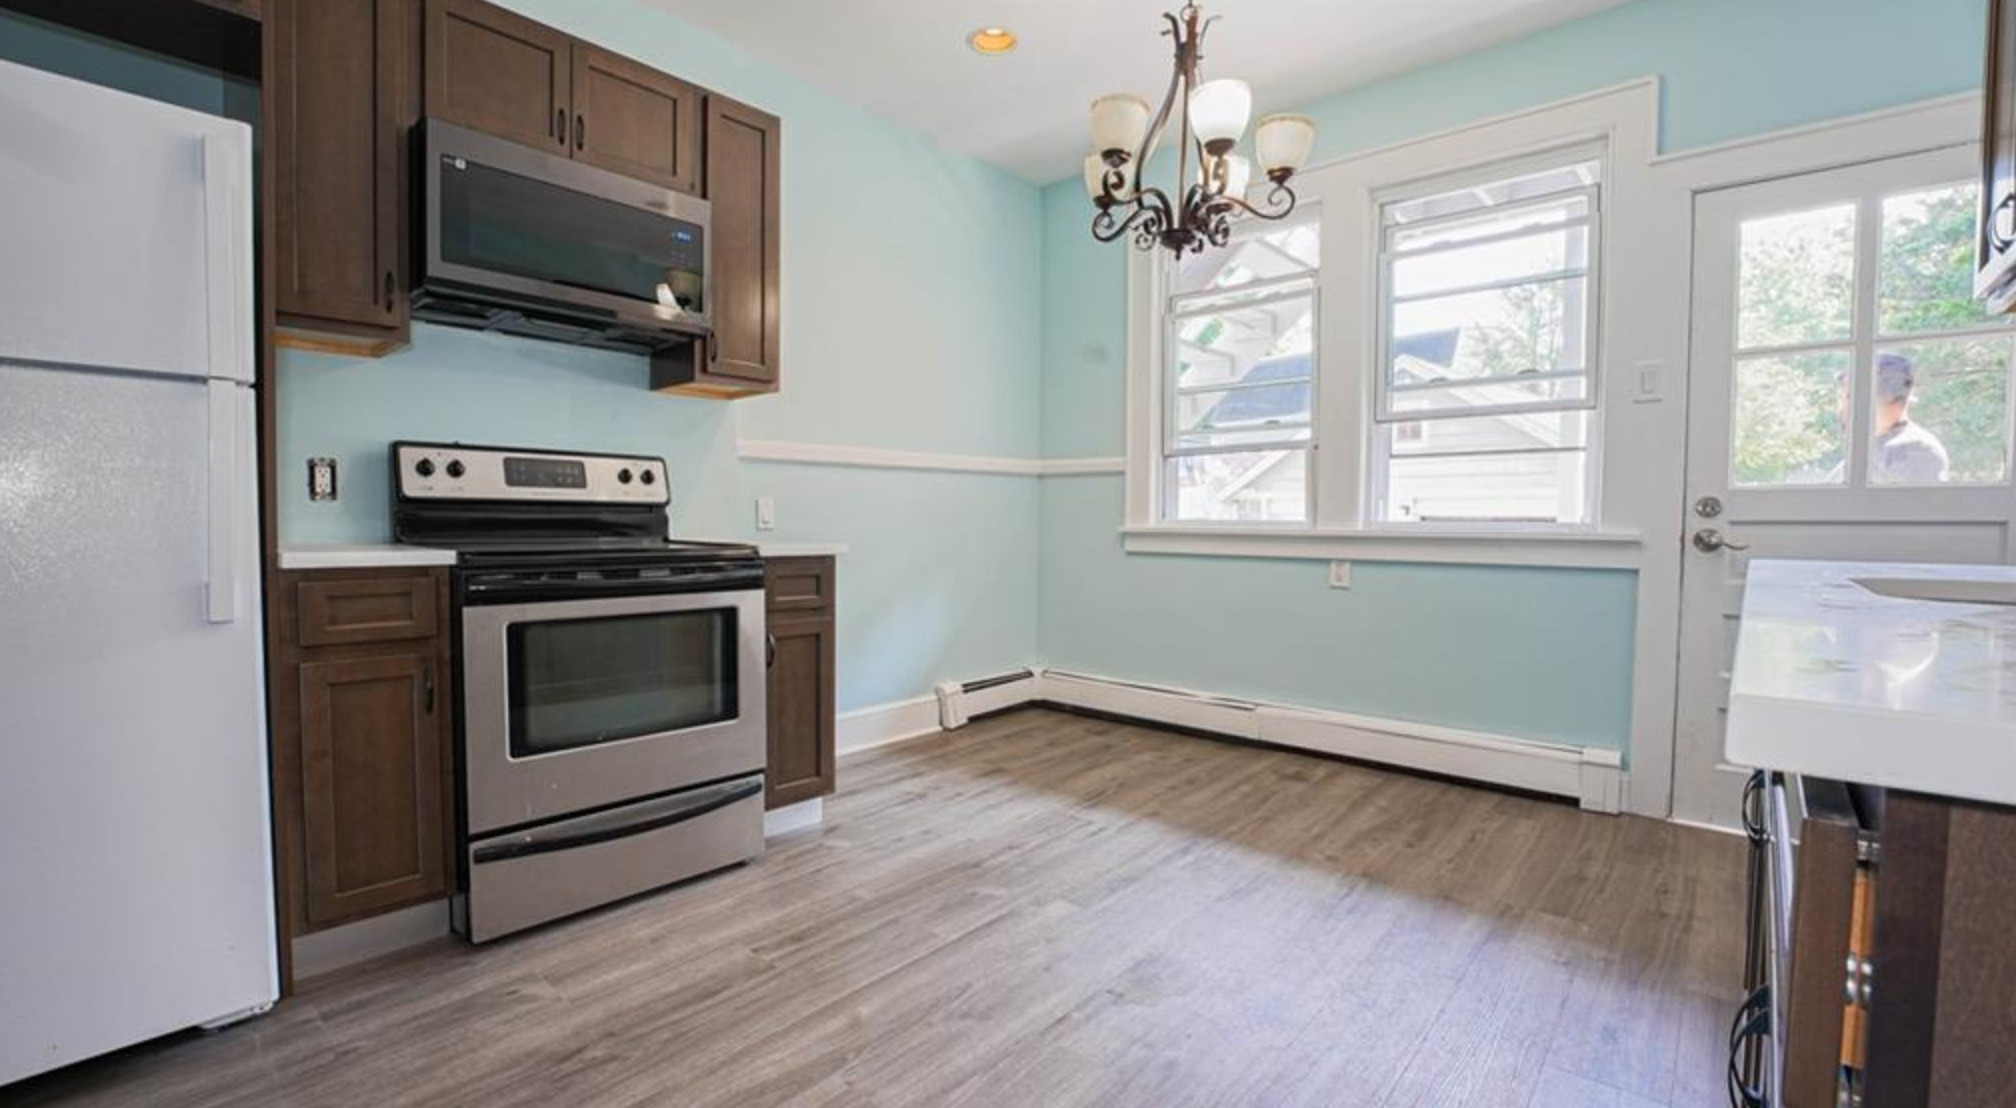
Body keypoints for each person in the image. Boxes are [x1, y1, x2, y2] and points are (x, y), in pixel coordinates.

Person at [1867, 353, 1950, 484]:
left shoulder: (1918, 451)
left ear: (1891, 396)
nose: (1843, 406)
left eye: (1849, 396)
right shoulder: (1865, 448)